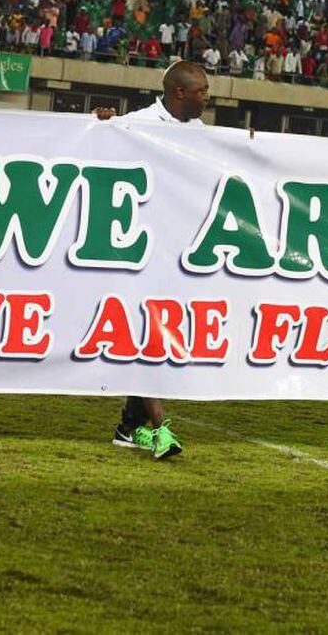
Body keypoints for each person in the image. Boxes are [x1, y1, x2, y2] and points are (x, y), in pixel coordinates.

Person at [90, 60, 211, 460]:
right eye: (201, 93)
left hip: (179, 252)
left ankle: (128, 427)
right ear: (180, 93)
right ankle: (159, 430)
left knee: (158, 336)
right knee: (151, 333)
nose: (206, 99)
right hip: (139, 249)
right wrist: (104, 124)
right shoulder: (138, 122)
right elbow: (101, 148)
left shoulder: (201, 133)